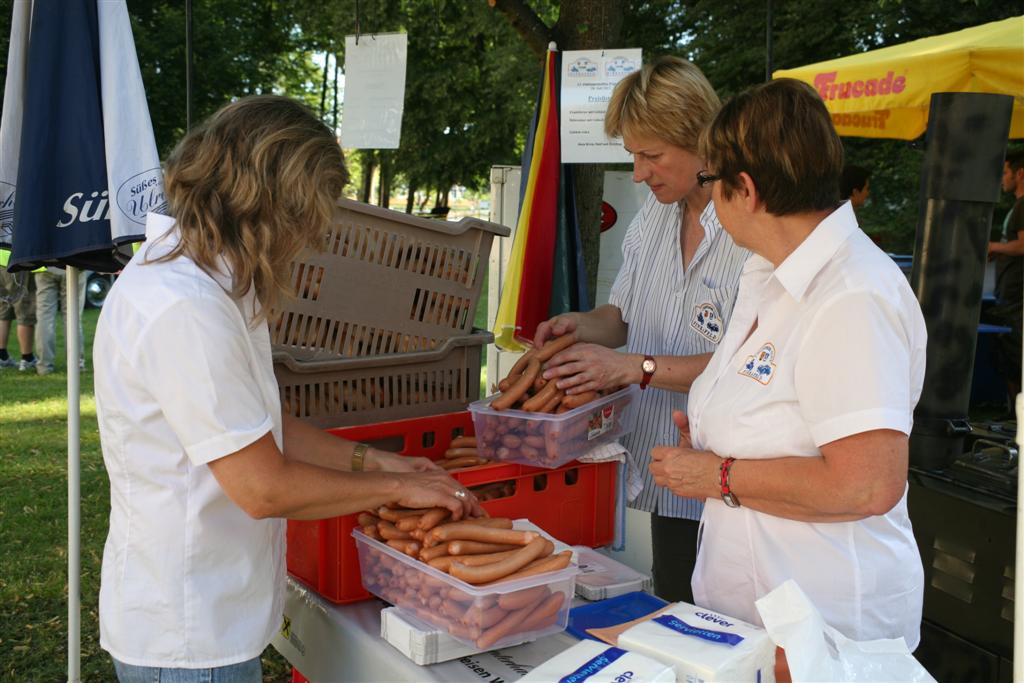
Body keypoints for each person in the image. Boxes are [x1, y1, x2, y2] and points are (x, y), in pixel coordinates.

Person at [94, 95, 481, 682]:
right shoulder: (186, 307)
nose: (311, 238)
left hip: (213, 609)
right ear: (274, 207)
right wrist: (393, 489)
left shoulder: (215, 279)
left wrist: (373, 460)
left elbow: (257, 423)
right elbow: (263, 489)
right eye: (309, 217)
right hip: (191, 631)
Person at [650, 78, 927, 663]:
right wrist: (710, 436)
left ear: (744, 190)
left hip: (826, 628)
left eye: (711, 183)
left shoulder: (852, 295)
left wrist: (718, 475)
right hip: (757, 620)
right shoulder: (768, 274)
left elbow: (867, 483)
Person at [533, 56, 749, 603]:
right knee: (677, 606)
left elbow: (751, 364)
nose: (638, 172)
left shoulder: (753, 226)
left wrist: (636, 367)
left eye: (651, 155)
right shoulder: (656, 213)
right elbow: (622, 318)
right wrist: (578, 326)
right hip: (667, 472)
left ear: (700, 137)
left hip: (737, 481)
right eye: (633, 154)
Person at [987, 149, 1024, 414]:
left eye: (1005, 172)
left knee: (1014, 355)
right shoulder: (1017, 205)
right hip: (1010, 292)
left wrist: (992, 246)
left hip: (1017, 294)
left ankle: (1015, 416)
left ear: (1020, 174)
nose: (1002, 179)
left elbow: (1022, 246)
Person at [33, 266, 88, 375]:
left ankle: (44, 366)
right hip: (74, 264)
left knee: (45, 316)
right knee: (73, 316)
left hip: (45, 265)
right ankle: (76, 364)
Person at [0, 248, 37, 370]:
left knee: (3, 310)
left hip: (2, 259)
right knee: (24, 309)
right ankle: (27, 358)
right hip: (15, 259)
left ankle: (2, 356)